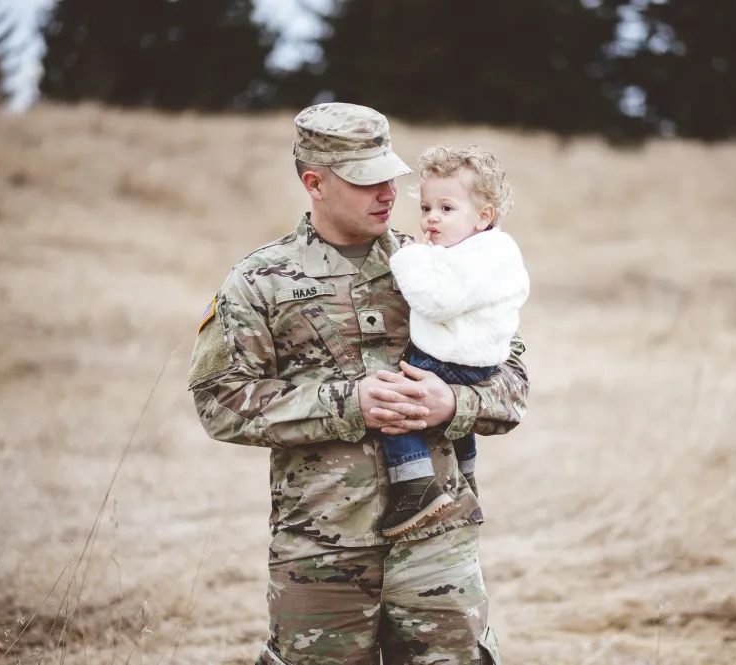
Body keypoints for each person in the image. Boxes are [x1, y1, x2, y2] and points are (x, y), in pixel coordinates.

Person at [186, 101, 529, 665]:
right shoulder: (259, 282)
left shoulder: (439, 263)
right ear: (314, 182)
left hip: (436, 543)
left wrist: (454, 402)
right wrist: (346, 403)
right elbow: (220, 402)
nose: (389, 194)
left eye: (391, 176)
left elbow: (513, 381)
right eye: (366, 181)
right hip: (320, 554)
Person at [377, 145, 530, 538]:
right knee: (455, 425)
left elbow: (438, 301)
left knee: (398, 402)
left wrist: (410, 258)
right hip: (475, 357)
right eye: (426, 208)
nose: (431, 219)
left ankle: (414, 485)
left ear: (484, 216)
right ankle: (465, 473)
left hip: (456, 357)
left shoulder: (476, 256)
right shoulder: (482, 249)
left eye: (446, 209)